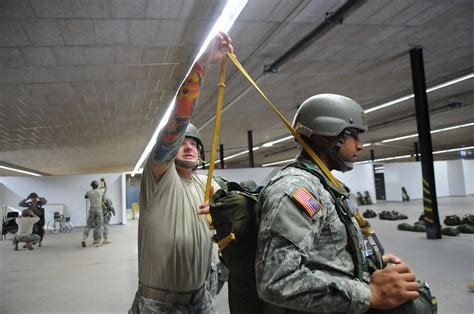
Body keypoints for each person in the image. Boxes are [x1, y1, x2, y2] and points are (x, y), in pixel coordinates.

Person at [255, 94, 431, 313]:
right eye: (353, 135)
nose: (360, 145)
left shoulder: (324, 184)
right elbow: (277, 281)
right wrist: (369, 295)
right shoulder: (295, 189)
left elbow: (326, 252)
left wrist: (365, 262)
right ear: (327, 135)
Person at [129, 31, 233, 313]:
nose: (188, 148)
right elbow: (178, 120)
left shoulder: (206, 184)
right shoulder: (159, 177)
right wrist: (203, 62)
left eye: (194, 145)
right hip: (160, 305)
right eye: (182, 143)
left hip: (201, 300)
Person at [82, 180, 104, 248]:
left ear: (91, 186)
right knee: (99, 226)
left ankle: (84, 239)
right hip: (99, 210)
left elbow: (85, 197)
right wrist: (103, 181)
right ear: (97, 185)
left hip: (92, 209)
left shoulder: (88, 192)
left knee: (88, 225)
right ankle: (98, 241)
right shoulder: (101, 191)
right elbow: (105, 187)